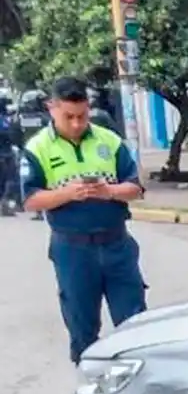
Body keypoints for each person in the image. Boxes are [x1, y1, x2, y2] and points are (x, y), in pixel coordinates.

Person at [20, 76, 148, 365]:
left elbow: (135, 189)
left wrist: (108, 191)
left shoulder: (109, 140)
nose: (77, 124)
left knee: (135, 324)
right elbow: (30, 200)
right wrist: (66, 194)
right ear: (51, 108)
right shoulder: (38, 148)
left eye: (82, 116)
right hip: (73, 251)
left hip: (117, 245)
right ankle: (91, 391)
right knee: (82, 328)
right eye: (69, 117)